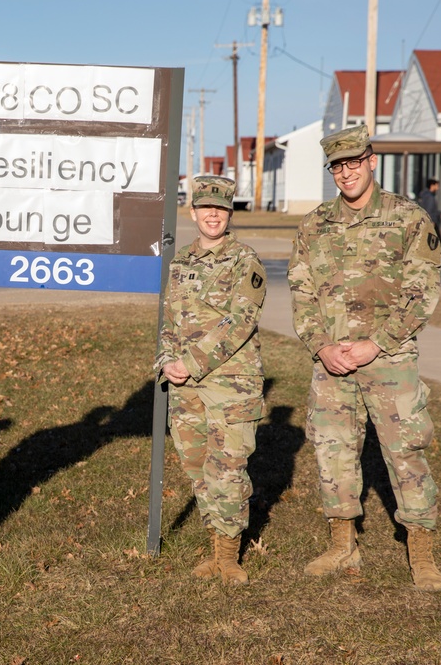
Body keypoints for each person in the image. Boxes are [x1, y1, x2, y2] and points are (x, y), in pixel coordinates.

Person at [288, 124, 441, 591]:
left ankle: (421, 551)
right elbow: (301, 293)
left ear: (372, 160)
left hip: (390, 359)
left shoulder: (409, 218)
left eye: (354, 162)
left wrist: (375, 343)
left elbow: (421, 293)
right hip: (332, 362)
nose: (346, 172)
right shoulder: (314, 225)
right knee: (332, 452)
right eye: (337, 165)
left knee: (405, 453)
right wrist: (320, 346)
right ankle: (342, 544)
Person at [155, 175, 267, 585]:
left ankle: (229, 554)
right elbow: (169, 319)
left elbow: (240, 323)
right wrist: (169, 359)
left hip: (231, 383)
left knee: (228, 468)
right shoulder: (182, 261)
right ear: (194, 212)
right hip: (185, 385)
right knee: (197, 466)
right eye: (206, 208)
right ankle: (212, 544)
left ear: (229, 213)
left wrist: (191, 362)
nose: (213, 215)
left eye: (220, 208)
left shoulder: (245, 261)